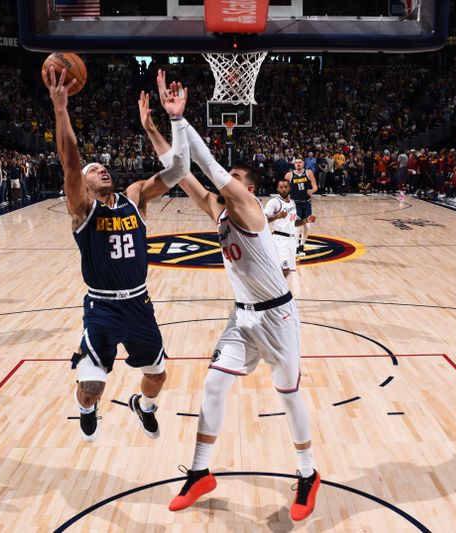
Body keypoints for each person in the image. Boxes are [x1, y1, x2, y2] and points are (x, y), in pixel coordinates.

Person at [142, 71, 319, 521]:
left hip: (278, 318)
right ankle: (200, 471)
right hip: (241, 317)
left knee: (289, 394)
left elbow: (205, 165)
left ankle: (307, 473)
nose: (226, 184)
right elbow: (183, 175)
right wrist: (154, 130)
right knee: (214, 383)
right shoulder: (219, 212)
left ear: (247, 188)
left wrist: (181, 120)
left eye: (234, 179)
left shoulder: (250, 210)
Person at [47, 66, 191, 442]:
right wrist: (61, 109)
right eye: (96, 169)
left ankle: (142, 406)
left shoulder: (135, 198)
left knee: (158, 377)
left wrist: (153, 127)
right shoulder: (83, 210)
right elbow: (72, 162)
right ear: (86, 182)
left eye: (104, 167)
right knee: (92, 387)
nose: (102, 169)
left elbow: (179, 169)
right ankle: (85, 408)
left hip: (139, 304)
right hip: (103, 308)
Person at [264, 179, 316, 277]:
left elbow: (294, 223)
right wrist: (276, 216)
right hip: (280, 239)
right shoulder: (274, 202)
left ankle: (282, 290)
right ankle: (278, 291)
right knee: (284, 269)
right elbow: (263, 219)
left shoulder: (292, 203)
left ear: (290, 188)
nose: (284, 189)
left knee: (289, 272)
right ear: (277, 189)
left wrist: (306, 220)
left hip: (292, 240)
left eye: (286, 187)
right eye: (281, 187)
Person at [285, 157, 317, 257]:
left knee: (308, 225)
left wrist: (312, 191)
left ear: (303, 163)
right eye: (296, 162)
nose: (298, 164)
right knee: (297, 227)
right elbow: (283, 187)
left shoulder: (308, 173)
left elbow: (315, 187)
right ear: (294, 164)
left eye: (300, 162)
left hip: (307, 203)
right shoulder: (289, 175)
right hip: (295, 204)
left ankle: (302, 245)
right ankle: (296, 247)